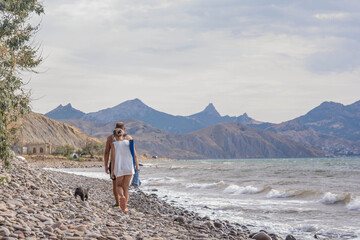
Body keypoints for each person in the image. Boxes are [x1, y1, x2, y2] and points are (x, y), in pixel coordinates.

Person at [110, 128, 139, 211]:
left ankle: (122, 196)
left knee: (118, 185)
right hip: (129, 167)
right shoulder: (129, 143)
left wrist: (112, 171)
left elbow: (113, 159)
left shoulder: (114, 144)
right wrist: (137, 166)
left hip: (119, 167)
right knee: (126, 187)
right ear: (122, 135)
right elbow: (135, 155)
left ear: (114, 136)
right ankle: (125, 206)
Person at [104, 122, 132, 206]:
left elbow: (106, 152)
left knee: (116, 184)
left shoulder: (110, 137)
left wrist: (106, 165)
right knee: (125, 186)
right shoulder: (128, 138)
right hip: (126, 164)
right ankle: (124, 203)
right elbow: (133, 153)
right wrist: (134, 165)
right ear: (124, 129)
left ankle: (117, 203)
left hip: (114, 163)